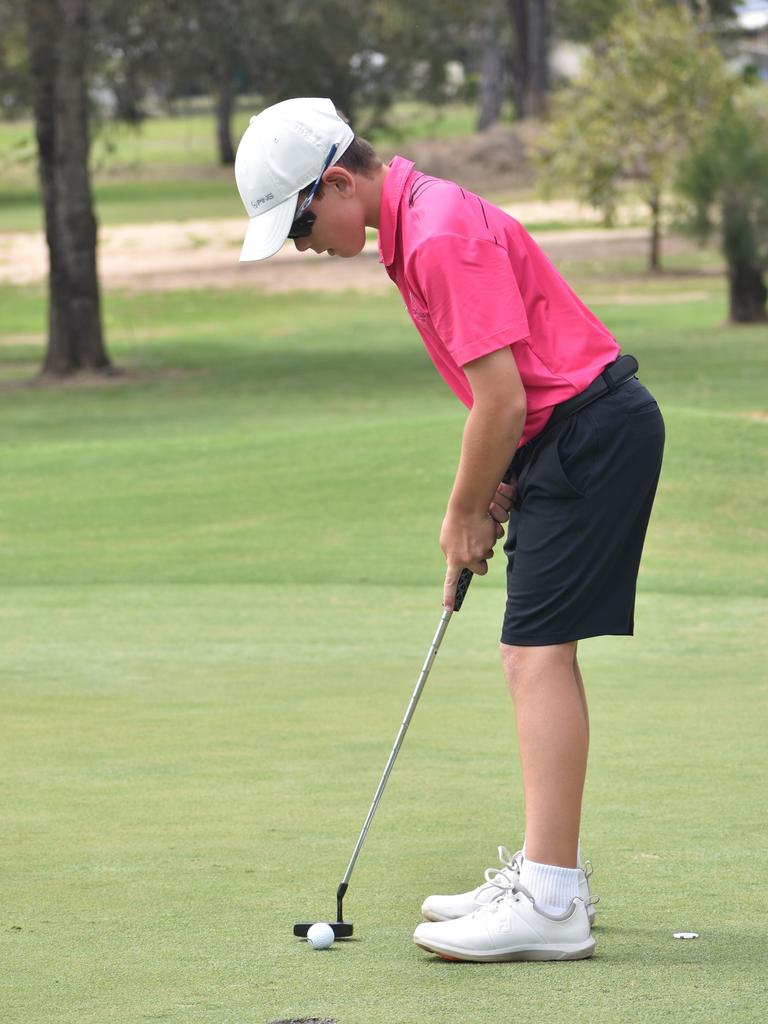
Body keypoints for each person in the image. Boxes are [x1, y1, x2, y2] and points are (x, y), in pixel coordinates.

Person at [235, 98, 665, 962]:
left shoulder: (434, 236)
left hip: (590, 432)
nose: (301, 242)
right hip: (567, 433)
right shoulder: (420, 225)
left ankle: (549, 902)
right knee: (531, 650)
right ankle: (551, 882)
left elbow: (503, 398)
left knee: (535, 652)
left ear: (339, 182)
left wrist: (464, 511)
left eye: (301, 220)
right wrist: (503, 479)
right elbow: (515, 391)